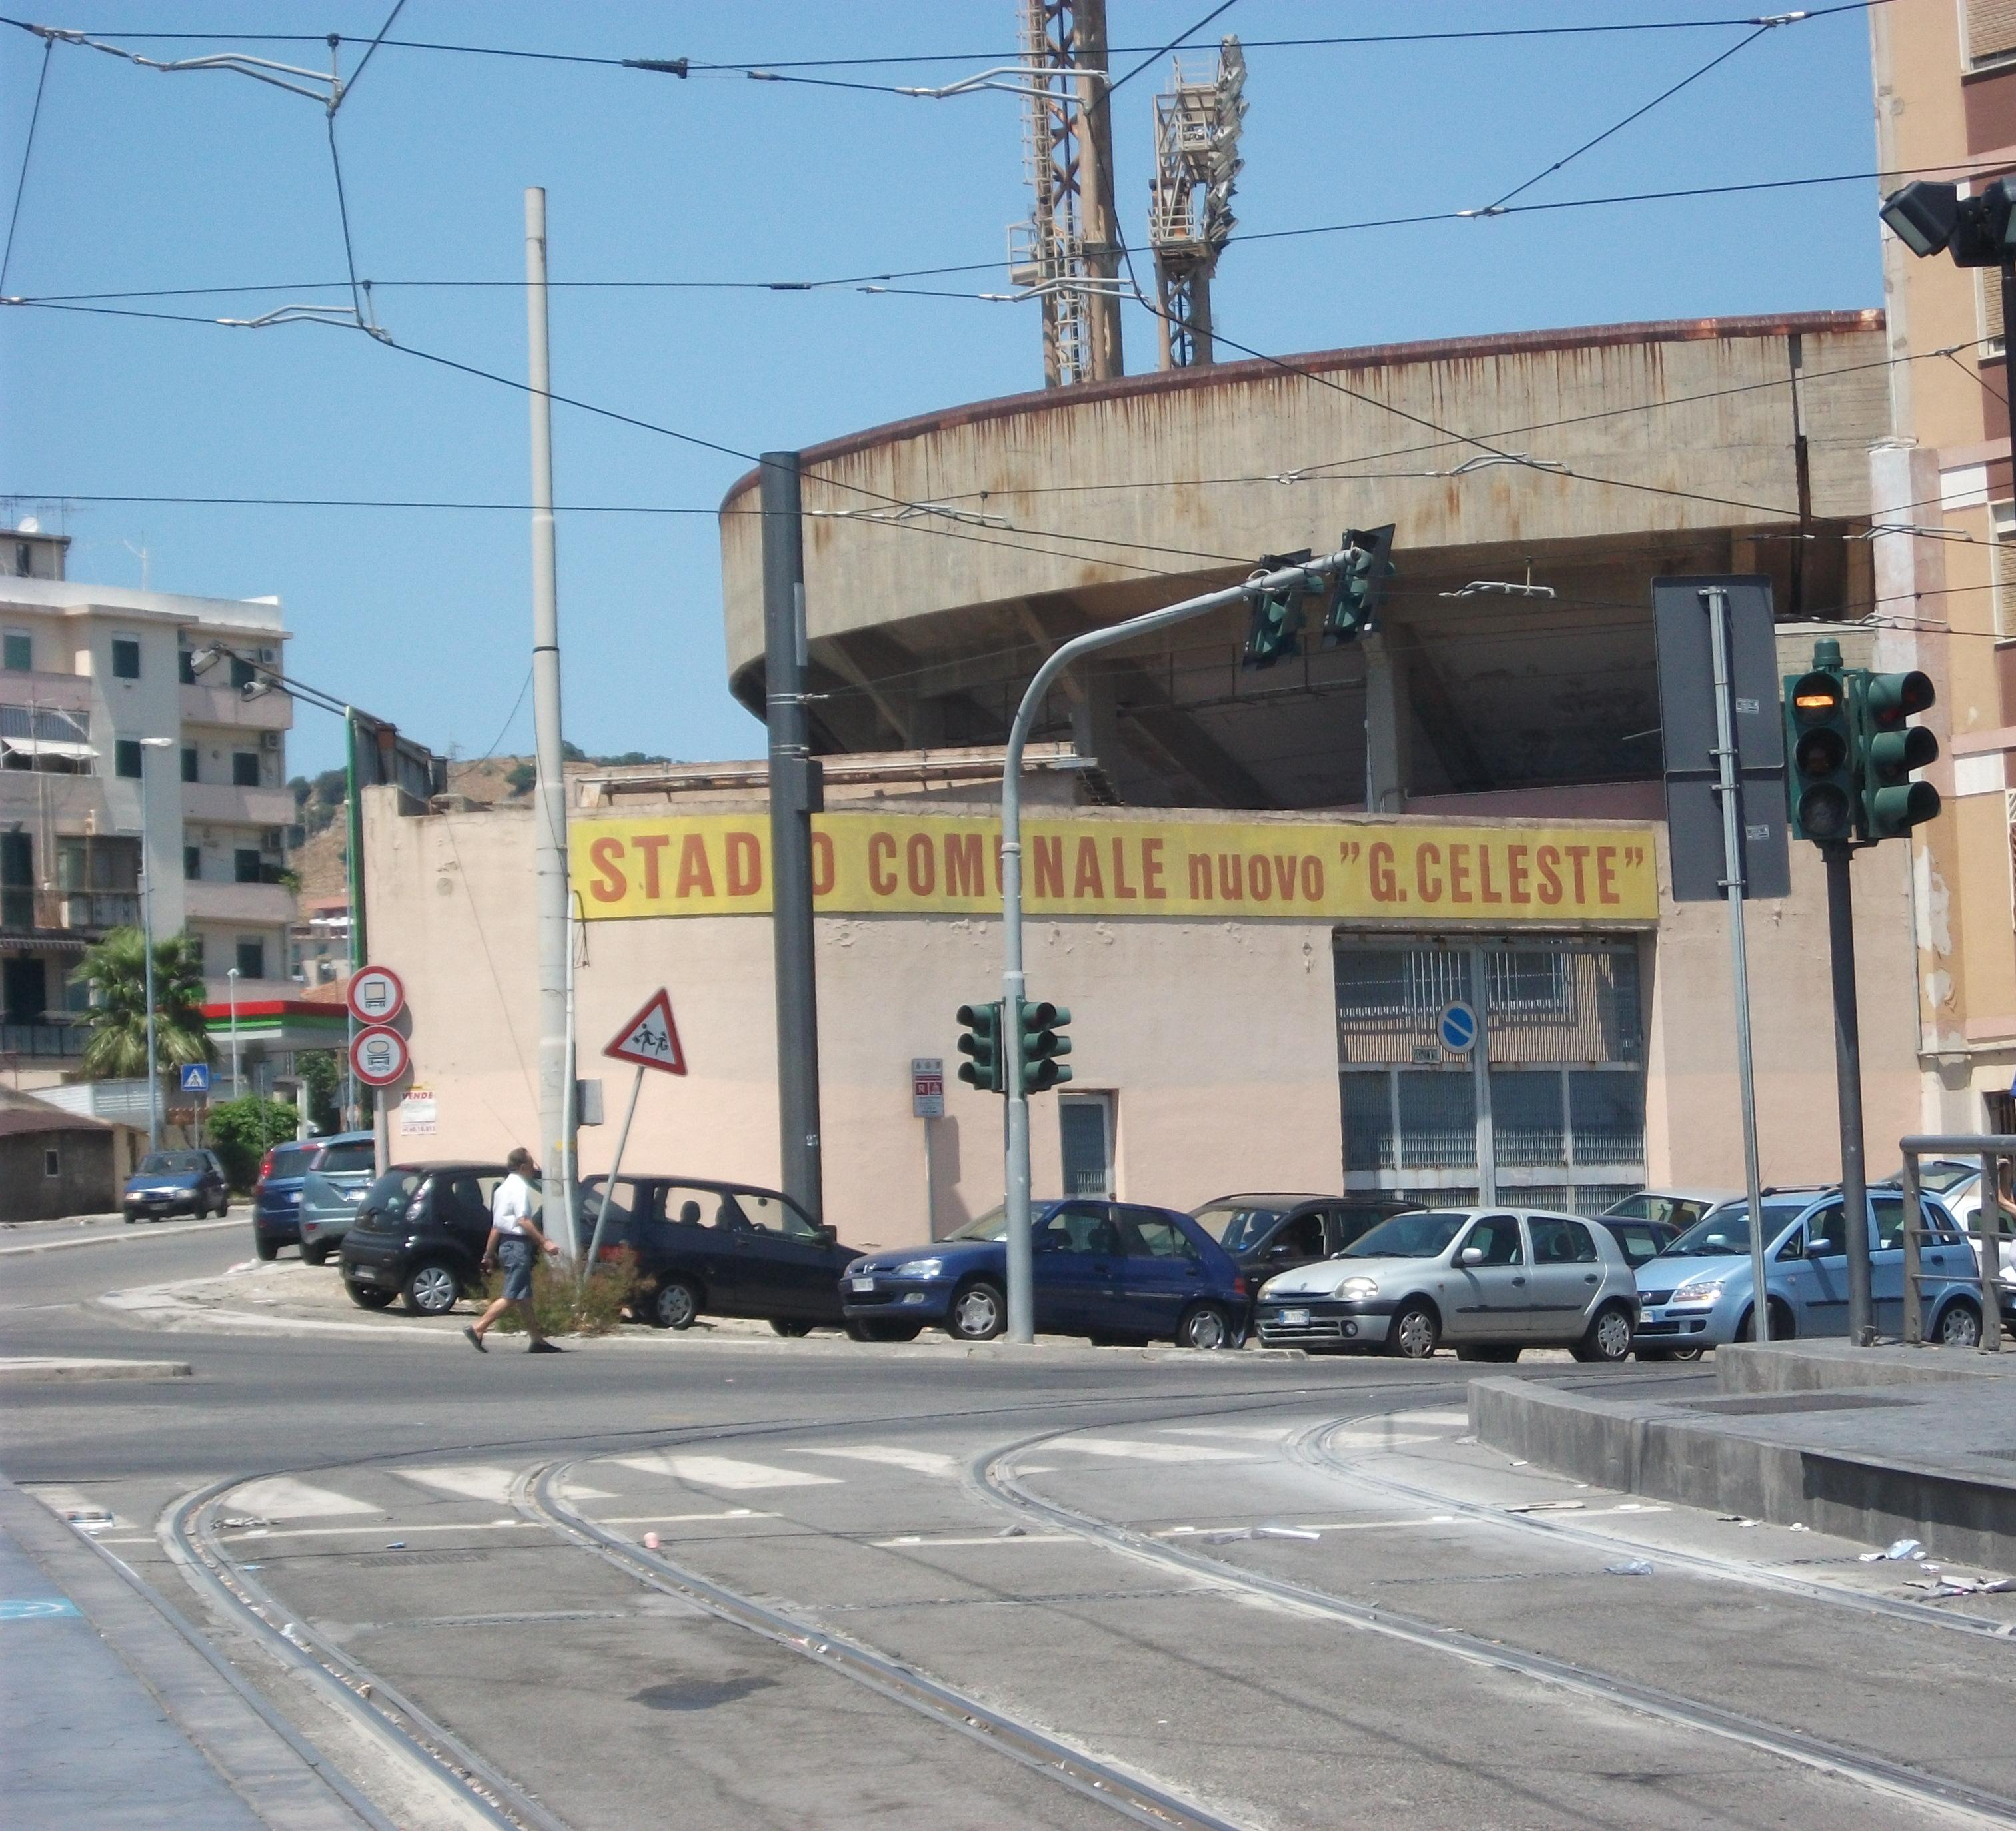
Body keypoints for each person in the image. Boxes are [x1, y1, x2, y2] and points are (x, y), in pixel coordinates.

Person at [464, 1148, 562, 1353]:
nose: (534, 1169)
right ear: (523, 1166)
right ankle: (478, 1327)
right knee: (512, 1294)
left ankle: (538, 1341)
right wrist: (545, 1243)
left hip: (506, 1245)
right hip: (517, 1245)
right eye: (532, 1164)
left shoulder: (501, 1189)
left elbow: (496, 1226)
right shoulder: (519, 1188)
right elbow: (523, 1220)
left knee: (524, 1296)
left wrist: (488, 1254)